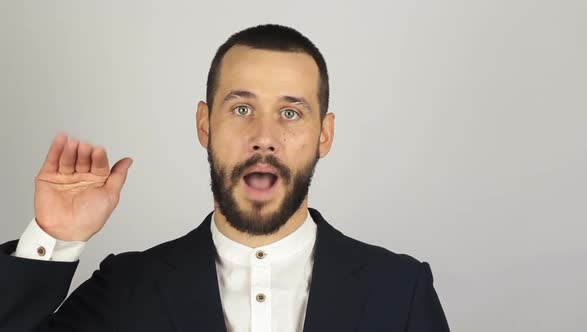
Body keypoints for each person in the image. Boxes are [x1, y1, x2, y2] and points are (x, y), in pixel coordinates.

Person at [0, 24, 450, 332]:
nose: (264, 138)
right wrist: (51, 239)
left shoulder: (401, 289)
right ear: (205, 125)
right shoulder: (126, 287)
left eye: (290, 113)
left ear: (323, 135)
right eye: (241, 109)